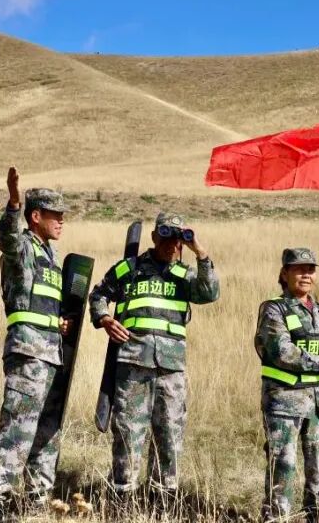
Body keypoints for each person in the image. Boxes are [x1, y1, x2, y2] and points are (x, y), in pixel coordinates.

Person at [88, 212, 220, 509]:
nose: (173, 244)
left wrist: (200, 251)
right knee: (128, 432)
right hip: (133, 366)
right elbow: (97, 295)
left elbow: (209, 293)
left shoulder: (185, 275)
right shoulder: (130, 269)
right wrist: (105, 319)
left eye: (179, 238)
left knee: (170, 433)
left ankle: (163, 500)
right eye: (167, 237)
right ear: (154, 238)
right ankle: (122, 499)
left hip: (170, 371)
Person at [0, 167, 72, 522]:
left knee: (47, 432)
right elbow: (5, 235)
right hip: (28, 352)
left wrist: (61, 323)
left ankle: (37, 500)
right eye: (55, 216)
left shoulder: (51, 258)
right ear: (36, 217)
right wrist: (14, 201)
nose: (62, 222)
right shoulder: (22, 246)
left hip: (51, 355)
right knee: (17, 427)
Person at [255, 247, 319, 522]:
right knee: (283, 466)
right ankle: (277, 518)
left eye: (311, 269)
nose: (306, 274)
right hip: (284, 403)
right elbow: (281, 350)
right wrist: (318, 364)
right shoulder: (274, 309)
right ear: (284, 273)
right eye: (299, 269)